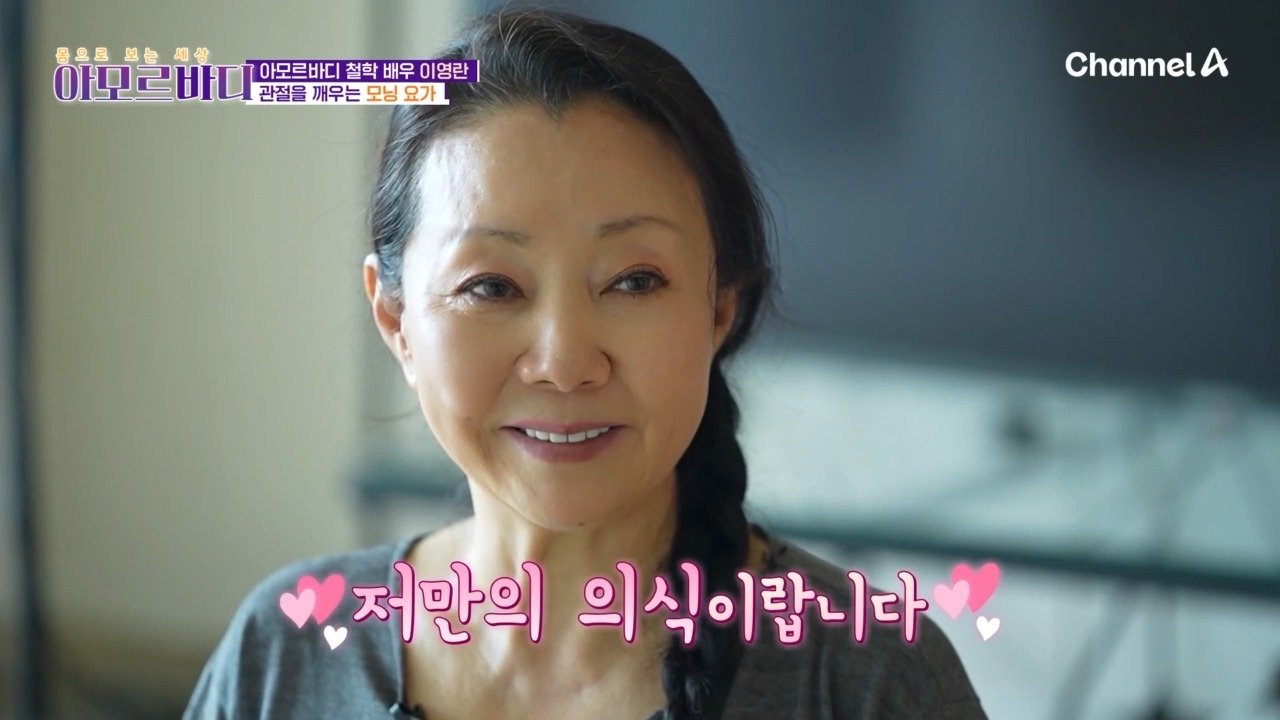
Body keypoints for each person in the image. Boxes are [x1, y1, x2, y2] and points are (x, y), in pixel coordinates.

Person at [183, 8, 987, 719]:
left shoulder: (868, 682)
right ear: (394, 320)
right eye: (491, 286)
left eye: (634, 281)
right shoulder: (287, 652)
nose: (565, 363)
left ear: (719, 308)